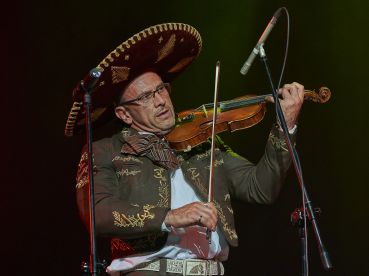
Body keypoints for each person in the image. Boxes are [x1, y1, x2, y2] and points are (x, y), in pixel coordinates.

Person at [66, 23, 304, 275]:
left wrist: (285, 125)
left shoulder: (202, 140)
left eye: (161, 89)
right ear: (124, 114)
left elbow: (261, 188)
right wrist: (169, 216)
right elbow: (98, 214)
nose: (160, 101)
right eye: (146, 97)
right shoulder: (106, 150)